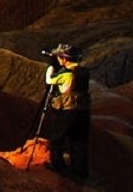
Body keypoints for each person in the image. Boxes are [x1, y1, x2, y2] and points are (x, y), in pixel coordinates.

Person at [44, 43, 91, 181]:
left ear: (64, 59)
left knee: (57, 139)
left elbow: (49, 81)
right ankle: (80, 173)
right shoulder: (84, 72)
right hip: (83, 111)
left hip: (67, 111)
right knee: (79, 142)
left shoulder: (66, 73)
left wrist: (51, 68)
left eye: (59, 57)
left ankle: (58, 167)